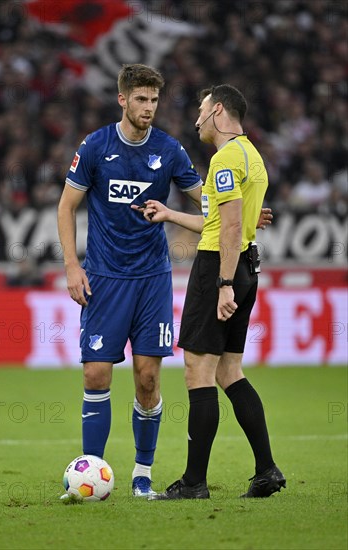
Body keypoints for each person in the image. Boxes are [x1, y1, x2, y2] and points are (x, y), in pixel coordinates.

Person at [57, 64, 204, 497]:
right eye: (140, 99)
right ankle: (91, 472)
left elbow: (209, 200)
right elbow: (66, 207)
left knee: (147, 379)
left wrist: (241, 208)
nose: (148, 108)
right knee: (96, 374)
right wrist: (71, 265)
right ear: (122, 100)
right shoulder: (96, 146)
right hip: (104, 276)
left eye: (154, 100)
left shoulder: (169, 150)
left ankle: (142, 475)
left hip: (152, 279)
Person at [138, 84, 285, 499]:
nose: (197, 119)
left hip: (219, 270)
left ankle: (194, 482)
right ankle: (266, 470)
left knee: (197, 373)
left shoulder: (224, 159)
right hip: (247, 266)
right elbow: (223, 223)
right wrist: (168, 213)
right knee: (229, 372)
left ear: (218, 110)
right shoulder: (252, 156)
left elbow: (231, 229)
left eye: (202, 111)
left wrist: (221, 285)